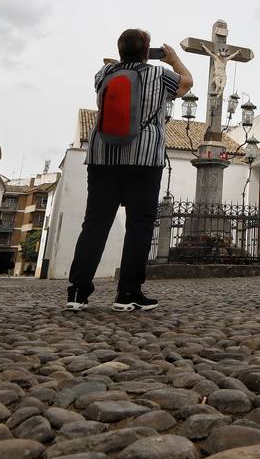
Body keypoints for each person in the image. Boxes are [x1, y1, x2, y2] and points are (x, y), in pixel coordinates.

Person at [65, 28, 193, 312]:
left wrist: (123, 60)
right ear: (148, 52)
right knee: (140, 226)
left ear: (120, 50)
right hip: (144, 159)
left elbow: (110, 65)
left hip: (102, 158)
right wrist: (173, 60)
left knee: (95, 225)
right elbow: (187, 84)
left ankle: (77, 293)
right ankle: (127, 294)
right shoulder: (161, 75)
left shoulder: (104, 74)